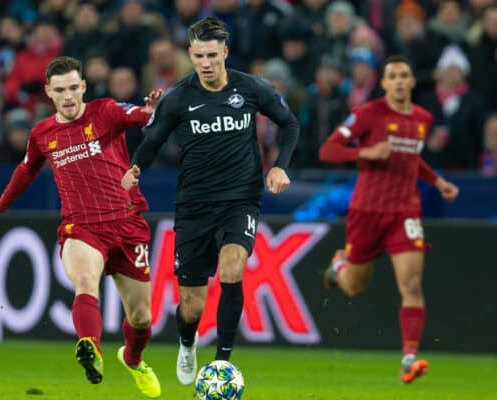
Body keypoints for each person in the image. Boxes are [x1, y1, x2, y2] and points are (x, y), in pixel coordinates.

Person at [121, 16, 300, 385]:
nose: (205, 63)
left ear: (225, 53)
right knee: (192, 306)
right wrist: (135, 168)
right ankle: (188, 343)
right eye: (199, 55)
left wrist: (281, 167)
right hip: (193, 206)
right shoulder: (180, 97)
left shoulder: (251, 89)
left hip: (240, 200)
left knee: (233, 267)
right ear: (191, 54)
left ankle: (223, 363)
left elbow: (291, 123)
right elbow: (152, 140)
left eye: (212, 55)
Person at [0, 56, 163, 398]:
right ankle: (91, 348)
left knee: (142, 317)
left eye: (74, 87)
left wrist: (149, 110)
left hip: (127, 222)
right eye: (61, 90)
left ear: (84, 87)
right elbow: (26, 171)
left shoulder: (105, 111)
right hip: (82, 227)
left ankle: (133, 359)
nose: (69, 96)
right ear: (49, 92)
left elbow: (138, 115)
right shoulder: (43, 133)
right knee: (85, 282)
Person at [318, 55, 460, 384]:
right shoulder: (369, 114)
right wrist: (364, 153)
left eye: (404, 76)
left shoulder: (423, 118)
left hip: (404, 212)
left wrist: (437, 181)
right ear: (383, 83)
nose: (398, 81)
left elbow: (411, 158)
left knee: (411, 284)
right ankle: (339, 267)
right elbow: (329, 150)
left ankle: (408, 358)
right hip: (367, 211)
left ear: (412, 82)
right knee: (354, 287)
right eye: (392, 76)